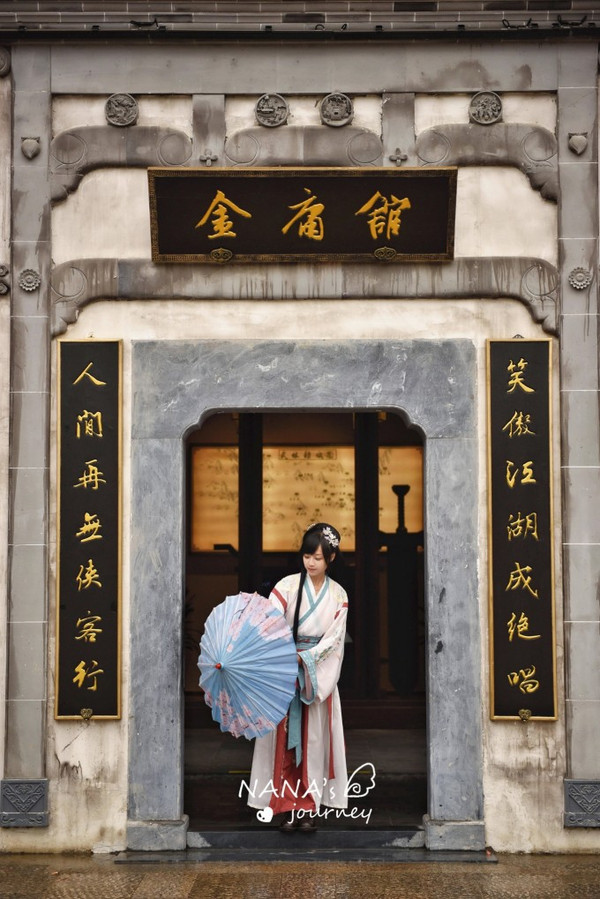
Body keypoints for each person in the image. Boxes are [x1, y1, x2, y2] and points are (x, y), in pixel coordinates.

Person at [248, 522, 349, 832]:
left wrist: (305, 659)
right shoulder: (287, 587)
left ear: (330, 559)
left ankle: (309, 807)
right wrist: (284, 654)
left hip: (315, 676)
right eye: (307, 556)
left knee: (313, 742)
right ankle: (285, 805)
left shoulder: (338, 595)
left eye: (318, 557)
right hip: (285, 673)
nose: (311, 563)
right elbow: (268, 623)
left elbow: (334, 640)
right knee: (284, 744)